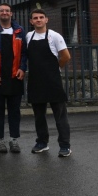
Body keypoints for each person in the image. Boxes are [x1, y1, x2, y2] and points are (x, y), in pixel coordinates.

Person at [26, 9, 72, 157]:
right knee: (39, 116)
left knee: (60, 116)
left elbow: (66, 56)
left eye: (41, 17)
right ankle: (42, 143)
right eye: (35, 18)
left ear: (46, 20)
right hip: (35, 81)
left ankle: (65, 146)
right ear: (31, 22)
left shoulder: (54, 36)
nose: (38, 20)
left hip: (53, 81)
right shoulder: (28, 36)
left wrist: (56, 67)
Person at [0, 3, 27, 154]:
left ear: (11, 13)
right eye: (1, 11)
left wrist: (22, 68)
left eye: (7, 11)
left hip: (15, 76)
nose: (4, 13)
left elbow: (24, 54)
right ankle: (0, 140)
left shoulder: (19, 30)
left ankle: (14, 140)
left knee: (15, 111)